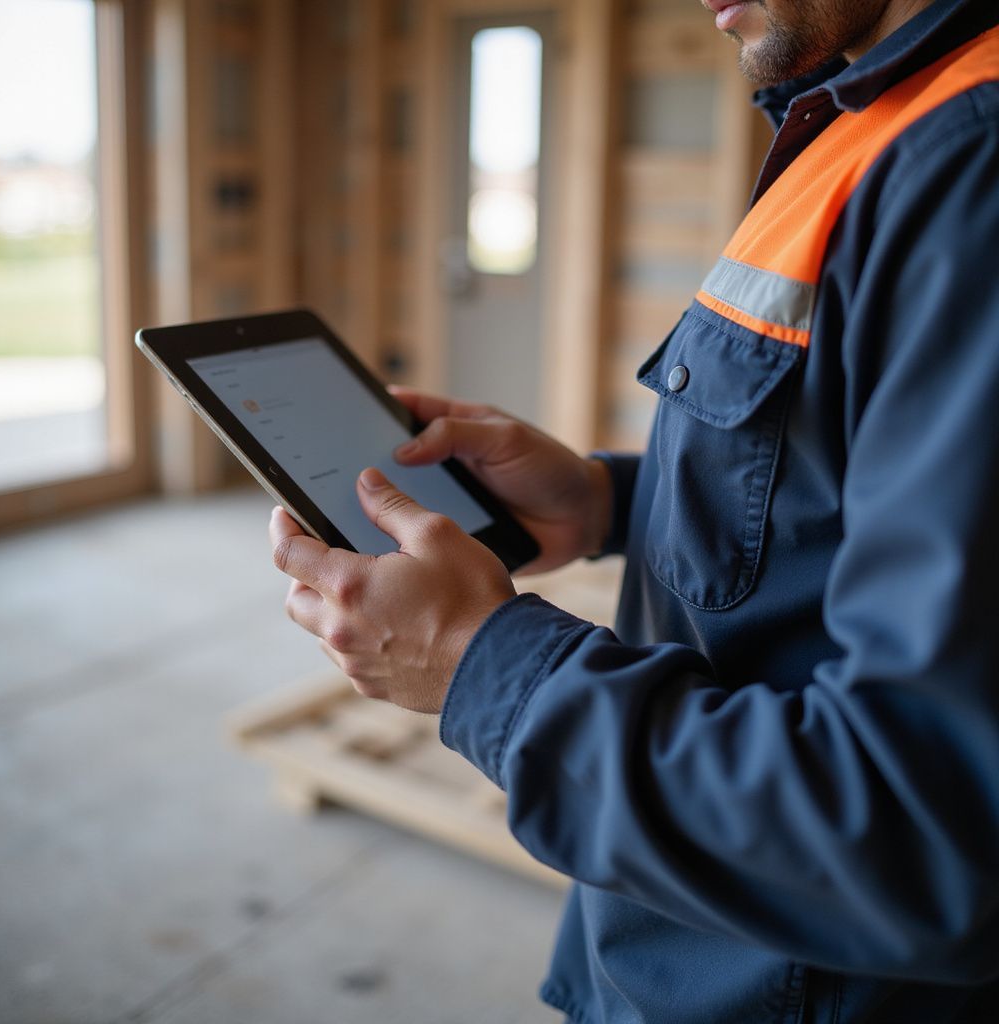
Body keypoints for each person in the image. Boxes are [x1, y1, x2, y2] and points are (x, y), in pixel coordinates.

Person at [268, 0, 999, 1019]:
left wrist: (479, 661)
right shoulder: (874, 116)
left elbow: (923, 832)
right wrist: (606, 498)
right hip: (691, 943)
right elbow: (842, 487)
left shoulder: (968, 165)